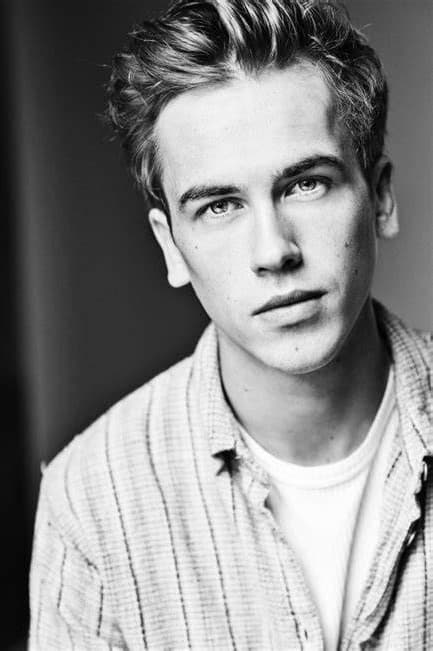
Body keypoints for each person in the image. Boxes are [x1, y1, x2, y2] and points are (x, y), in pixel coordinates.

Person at [29, 0, 433, 649]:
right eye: (219, 205)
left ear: (380, 196)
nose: (273, 251)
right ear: (170, 245)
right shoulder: (94, 497)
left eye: (306, 184)